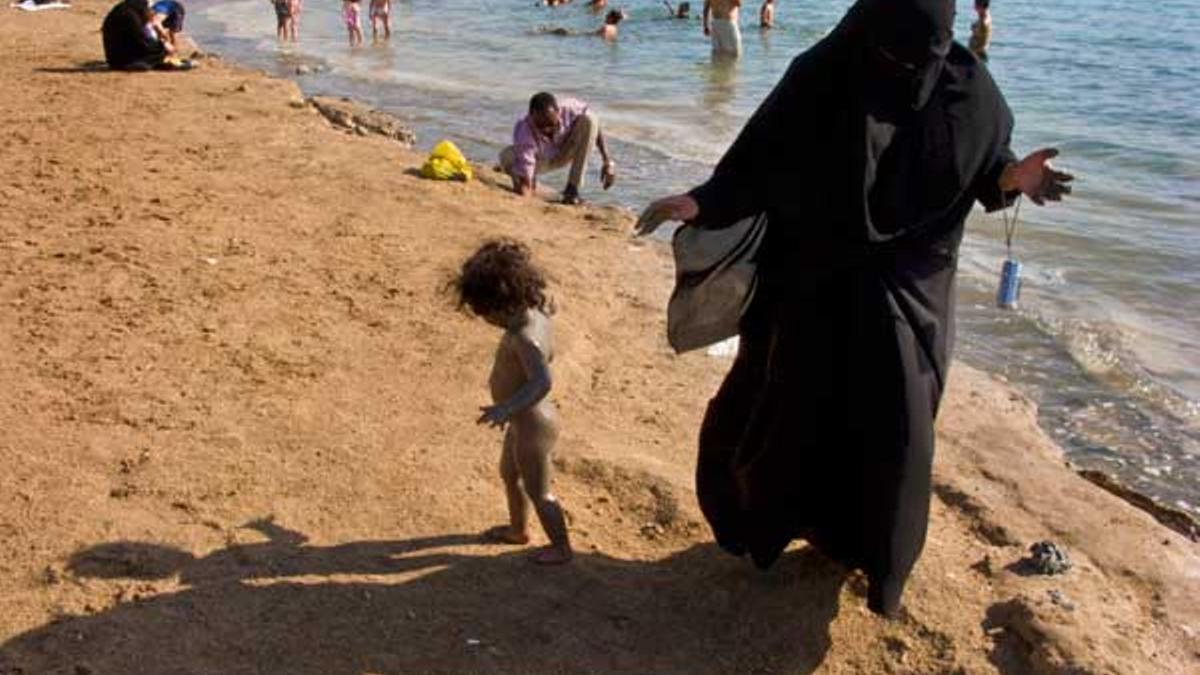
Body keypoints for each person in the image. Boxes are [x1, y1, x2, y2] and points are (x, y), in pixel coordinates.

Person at [636, 0, 1072, 617]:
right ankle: (767, 527)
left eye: (925, 54)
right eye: (896, 54)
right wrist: (702, 201)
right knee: (789, 411)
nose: (911, 68)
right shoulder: (825, 72)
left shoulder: (968, 88)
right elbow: (764, 155)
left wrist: (1011, 179)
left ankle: (873, 557)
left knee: (897, 426)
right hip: (814, 284)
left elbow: (979, 161)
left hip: (909, 293)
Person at [452, 239, 573, 566]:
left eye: (486, 313)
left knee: (539, 489)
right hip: (521, 423)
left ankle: (561, 548)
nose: (485, 320)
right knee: (509, 474)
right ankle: (518, 530)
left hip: (532, 424)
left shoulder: (524, 336)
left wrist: (506, 407)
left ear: (503, 304)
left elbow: (542, 382)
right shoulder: (534, 311)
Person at [499, 92, 616, 205]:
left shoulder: (569, 109)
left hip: (565, 152)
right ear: (531, 116)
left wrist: (606, 160)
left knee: (589, 120)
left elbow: (595, 126)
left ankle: (572, 189)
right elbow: (526, 162)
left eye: (552, 125)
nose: (547, 130)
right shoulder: (524, 129)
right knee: (507, 156)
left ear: (558, 112)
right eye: (542, 126)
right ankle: (524, 179)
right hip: (540, 160)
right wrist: (526, 192)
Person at [102, 0, 167, 70]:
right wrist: (162, 46)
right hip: (123, 60)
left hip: (113, 59)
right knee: (161, 50)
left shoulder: (123, 9)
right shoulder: (131, 16)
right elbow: (143, 43)